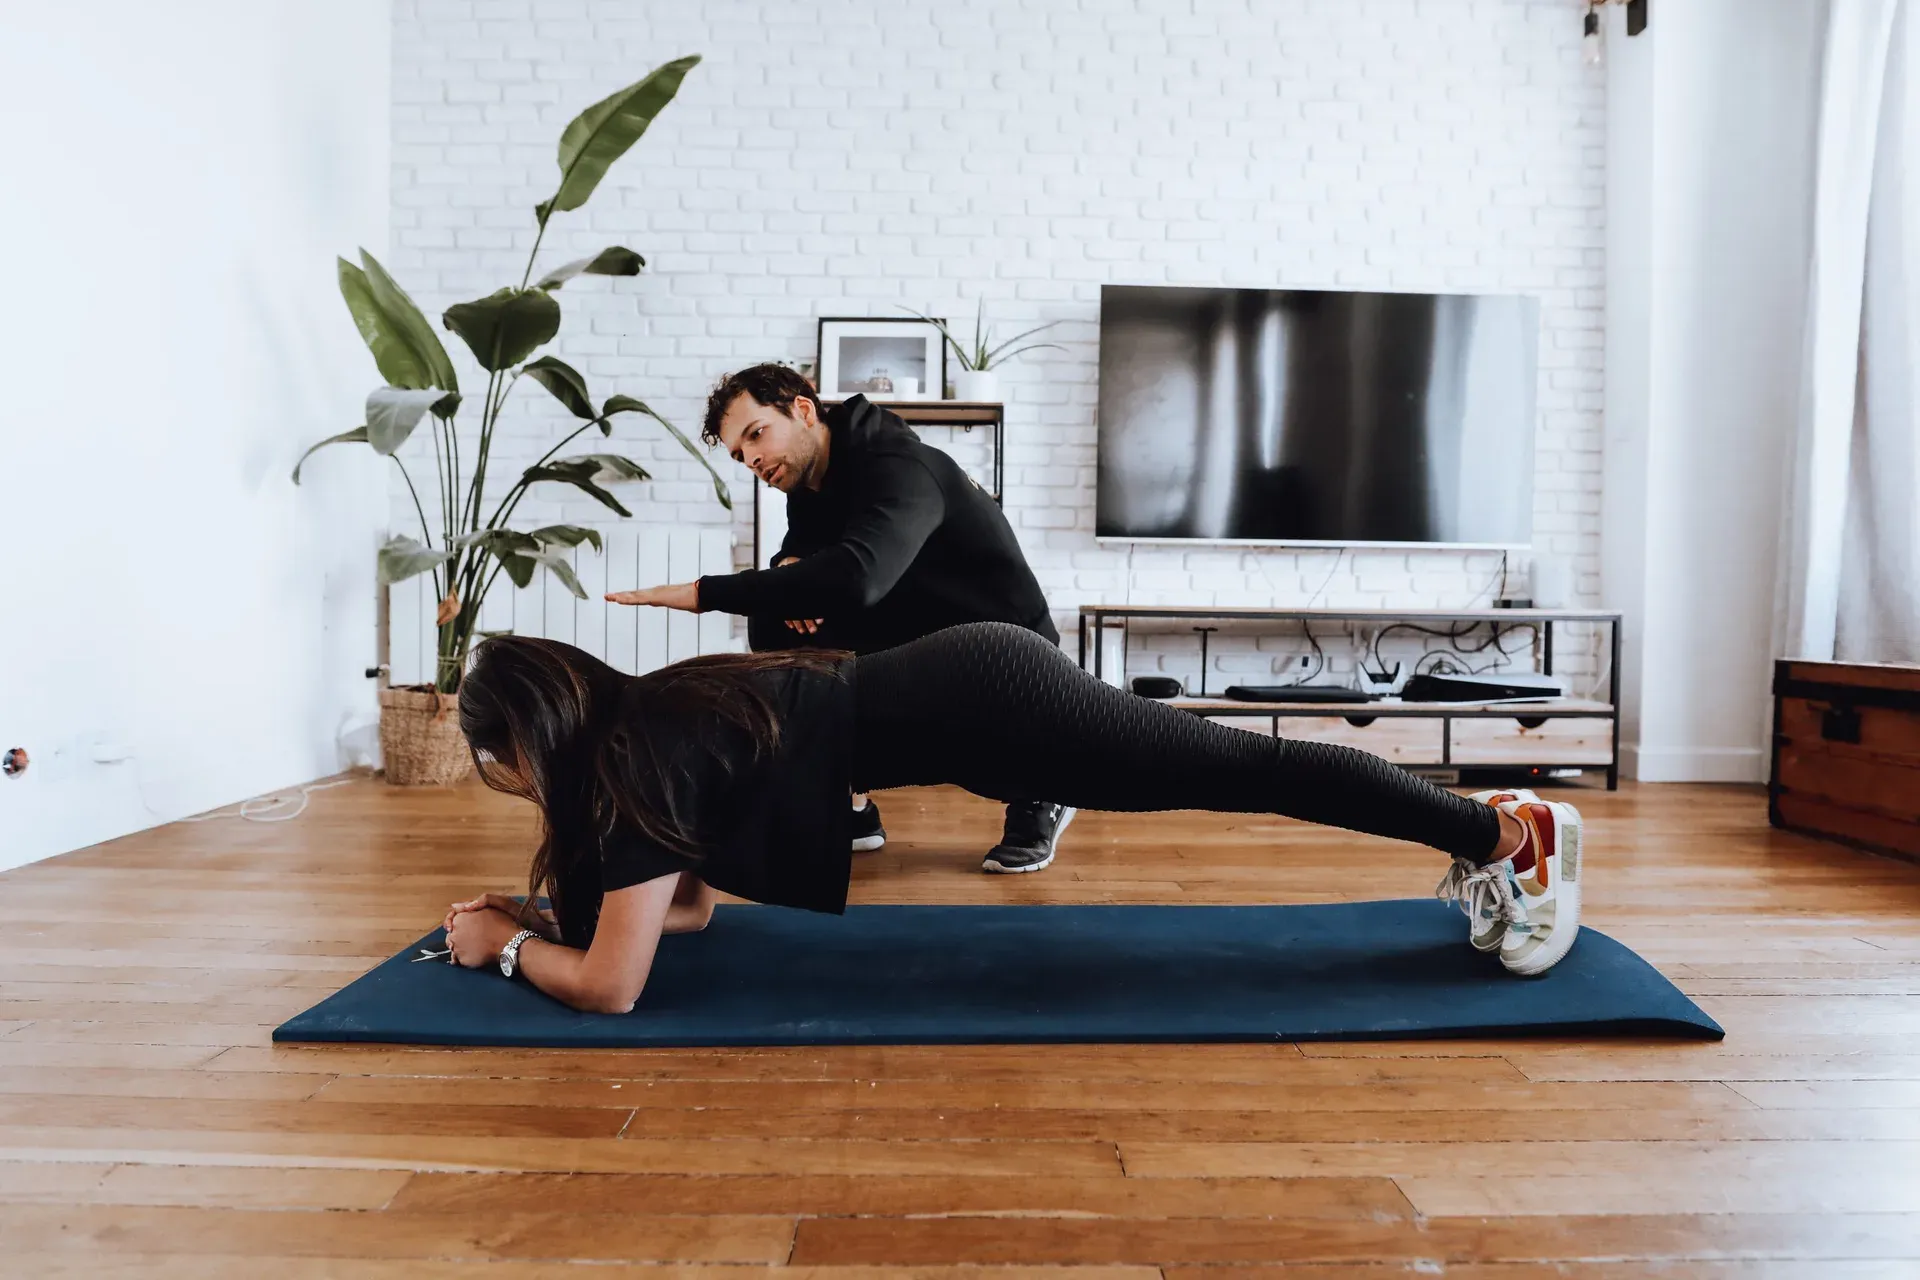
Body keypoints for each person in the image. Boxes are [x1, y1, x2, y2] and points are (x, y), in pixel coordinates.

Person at [442, 625, 1583, 1016]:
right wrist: (544, 915)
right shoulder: (646, 722)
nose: (516, 783)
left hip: (994, 704)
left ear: (530, 739)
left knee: (1250, 768)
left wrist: (505, 950)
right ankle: (1488, 827)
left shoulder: (634, 759)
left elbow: (613, 987)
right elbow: (683, 912)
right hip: (978, 697)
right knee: (1246, 768)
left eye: (505, 765)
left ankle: (1508, 836)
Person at [601, 363, 1073, 874]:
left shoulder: (901, 465)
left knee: (788, 602)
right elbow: (802, 564)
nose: (753, 459)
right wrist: (787, 568)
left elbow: (858, 577)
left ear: (803, 410)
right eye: (740, 454)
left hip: (1010, 660)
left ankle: (1042, 788)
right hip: (923, 639)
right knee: (772, 622)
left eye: (757, 434)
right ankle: (849, 797)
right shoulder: (809, 484)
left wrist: (704, 593)